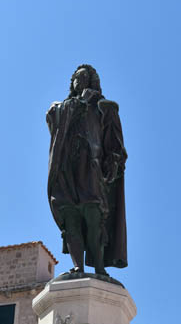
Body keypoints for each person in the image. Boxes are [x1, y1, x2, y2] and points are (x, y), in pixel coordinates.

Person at [47, 64, 128, 276]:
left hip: (90, 167)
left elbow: (115, 143)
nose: (79, 81)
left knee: (93, 216)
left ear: (92, 82)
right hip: (65, 168)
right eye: (76, 78)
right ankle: (78, 267)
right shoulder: (61, 108)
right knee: (70, 217)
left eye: (84, 77)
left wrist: (113, 163)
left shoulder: (102, 107)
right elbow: (53, 131)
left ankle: (99, 267)